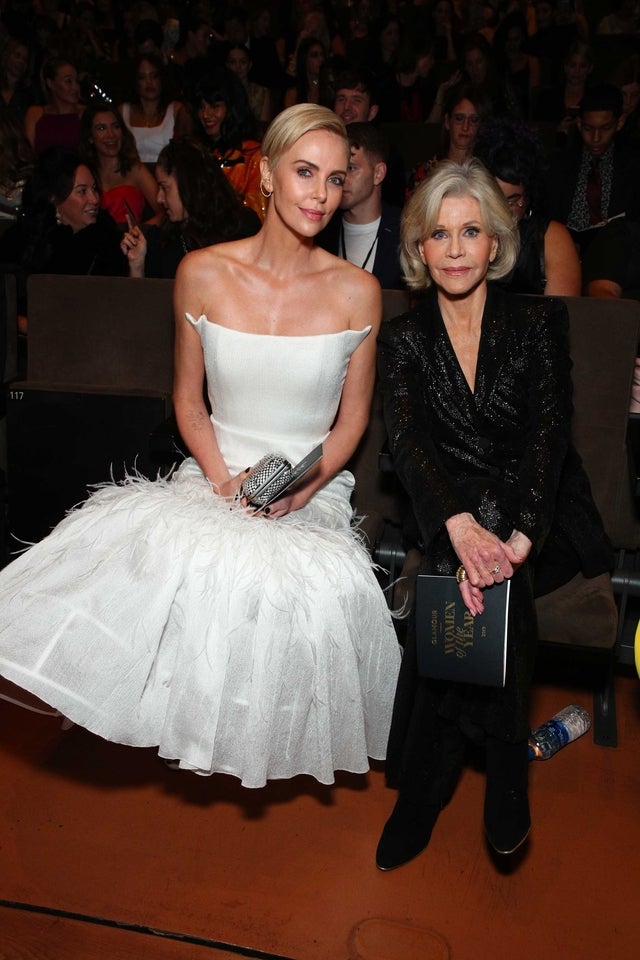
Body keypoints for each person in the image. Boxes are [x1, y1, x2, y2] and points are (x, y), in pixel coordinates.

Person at [0, 103, 401, 790]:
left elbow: (350, 425)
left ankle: (244, 734)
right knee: (160, 548)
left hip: (310, 481)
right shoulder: (202, 272)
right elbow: (188, 402)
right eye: (305, 172)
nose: (320, 194)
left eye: (336, 179)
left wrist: (297, 490)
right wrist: (221, 482)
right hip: (216, 463)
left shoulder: (359, 292)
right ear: (266, 175)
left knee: (280, 581)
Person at [375, 158, 610, 869]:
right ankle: (493, 760)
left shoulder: (541, 321)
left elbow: (548, 439)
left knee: (486, 582)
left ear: (494, 243)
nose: (454, 247)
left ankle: (433, 778)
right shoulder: (404, 340)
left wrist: (514, 539)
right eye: (439, 234)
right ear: (419, 249)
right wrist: (460, 525)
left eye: (470, 230)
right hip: (451, 517)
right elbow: (409, 446)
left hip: (540, 517)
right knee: (457, 568)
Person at [120, 137, 261, 278]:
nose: (159, 198)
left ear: (188, 185)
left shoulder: (242, 227)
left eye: (165, 187)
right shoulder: (162, 240)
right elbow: (145, 298)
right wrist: (137, 265)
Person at [475, 115, 581, 295]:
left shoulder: (551, 239)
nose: (504, 211)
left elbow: (564, 316)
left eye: (514, 200)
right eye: (496, 200)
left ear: (528, 195)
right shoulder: (467, 233)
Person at [546, 83, 640, 258]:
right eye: (589, 128)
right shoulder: (559, 164)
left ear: (619, 123)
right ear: (580, 124)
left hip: (618, 256)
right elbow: (546, 216)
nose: (596, 138)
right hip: (564, 251)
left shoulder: (632, 165)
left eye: (605, 128)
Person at [316, 122, 403, 289]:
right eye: (337, 168)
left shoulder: (406, 234)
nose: (340, 177)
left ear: (378, 174)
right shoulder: (319, 228)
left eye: (351, 168)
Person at [192, 68, 267, 221]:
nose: (205, 115)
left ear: (231, 108)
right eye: (201, 107)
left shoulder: (254, 156)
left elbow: (256, 218)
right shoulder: (197, 151)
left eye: (214, 106)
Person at [80, 99, 162, 227]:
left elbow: (165, 212)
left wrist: (139, 234)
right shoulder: (84, 173)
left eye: (116, 126)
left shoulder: (136, 170)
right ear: (90, 137)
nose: (111, 134)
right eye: (101, 128)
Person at [118, 53, 184, 165]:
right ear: (135, 82)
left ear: (162, 79)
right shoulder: (122, 111)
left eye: (154, 76)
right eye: (142, 77)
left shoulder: (176, 110)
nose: (149, 82)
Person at [24, 57, 84, 154]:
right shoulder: (36, 113)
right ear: (51, 83)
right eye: (68, 81)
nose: (75, 87)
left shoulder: (85, 114)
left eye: (76, 81)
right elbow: (28, 154)